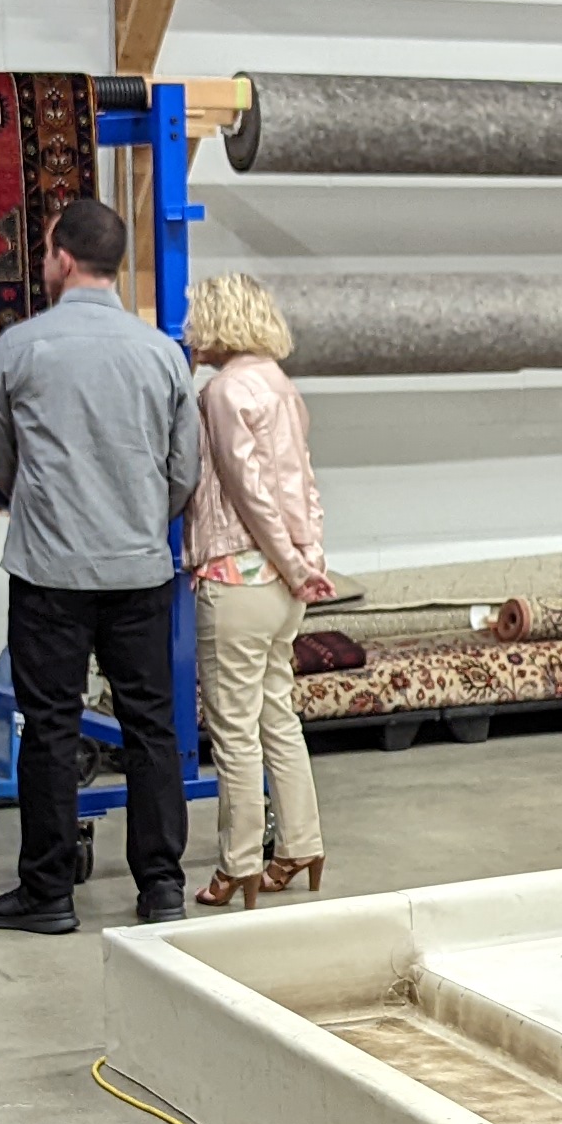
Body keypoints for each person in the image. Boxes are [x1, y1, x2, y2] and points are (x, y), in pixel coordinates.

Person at [0, 197, 202, 937]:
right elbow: (184, 469)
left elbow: (0, 457)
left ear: (64, 259)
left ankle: (49, 891)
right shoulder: (162, 353)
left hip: (50, 570)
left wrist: (43, 504)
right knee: (151, 727)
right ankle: (161, 886)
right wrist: (140, 519)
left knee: (49, 728)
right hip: (138, 568)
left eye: (45, 252)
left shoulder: (22, 347)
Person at [180, 271, 332, 912]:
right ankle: (301, 845)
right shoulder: (280, 385)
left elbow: (248, 493)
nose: (189, 328)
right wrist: (306, 562)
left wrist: (292, 565)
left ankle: (237, 864)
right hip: (284, 587)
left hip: (236, 578)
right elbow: (302, 485)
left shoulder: (223, 392)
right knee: (278, 716)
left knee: (234, 731)